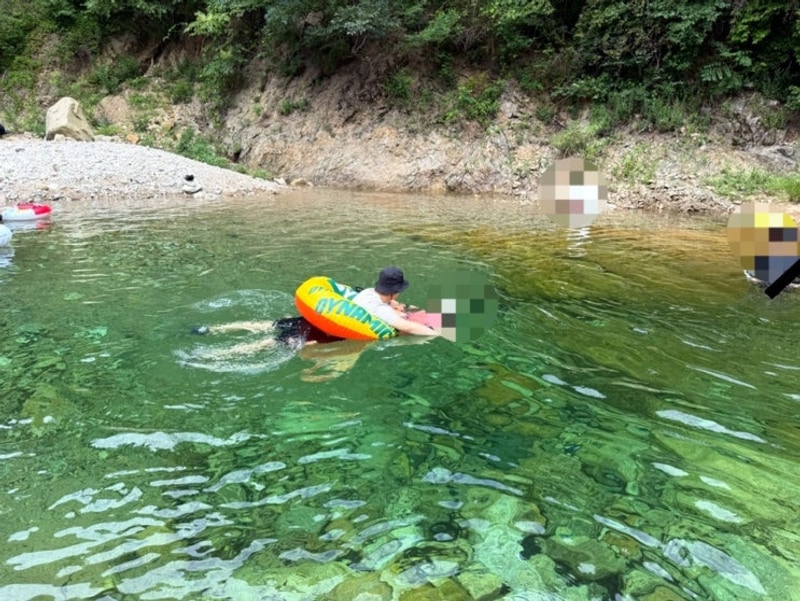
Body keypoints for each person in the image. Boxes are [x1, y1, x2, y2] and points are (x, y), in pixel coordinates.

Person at [352, 266, 439, 336]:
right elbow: (408, 328)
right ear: (395, 291)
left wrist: (393, 303)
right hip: (367, 334)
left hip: (357, 319)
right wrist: (436, 334)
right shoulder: (380, 309)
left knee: (404, 309)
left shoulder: (368, 292)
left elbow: (394, 304)